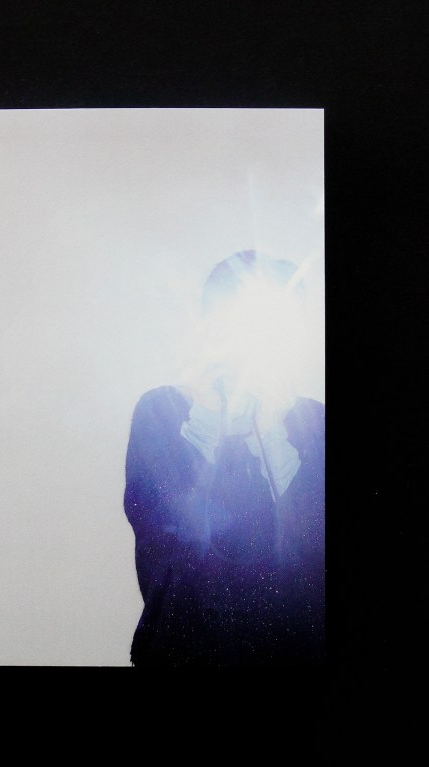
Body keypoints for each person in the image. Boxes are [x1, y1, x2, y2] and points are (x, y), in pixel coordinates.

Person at [124, 249, 325, 666]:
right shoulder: (160, 411)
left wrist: (274, 430)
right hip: (181, 647)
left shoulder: (314, 422)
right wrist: (205, 414)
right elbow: (166, 537)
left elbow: (314, 551)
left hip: (296, 651)